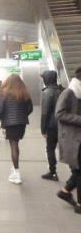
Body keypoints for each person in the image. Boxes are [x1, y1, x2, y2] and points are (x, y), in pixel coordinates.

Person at [0, 74, 33, 184]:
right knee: (16, 144)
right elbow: (30, 109)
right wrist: (22, 115)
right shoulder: (24, 92)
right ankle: (15, 167)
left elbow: (0, 109)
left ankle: (16, 174)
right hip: (21, 123)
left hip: (10, 123)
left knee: (13, 145)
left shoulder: (3, 93)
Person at [55, 66, 81, 214]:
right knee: (79, 172)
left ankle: (65, 192)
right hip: (72, 139)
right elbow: (59, 114)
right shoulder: (69, 93)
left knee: (78, 171)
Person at [40, 70, 63, 181]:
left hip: (52, 126)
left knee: (50, 148)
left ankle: (52, 173)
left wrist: (43, 129)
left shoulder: (47, 92)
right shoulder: (62, 90)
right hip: (64, 125)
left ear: (47, 79)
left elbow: (45, 113)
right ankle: (75, 175)